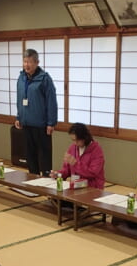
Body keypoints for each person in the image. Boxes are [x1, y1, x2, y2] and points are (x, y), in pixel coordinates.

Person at [14, 48, 58, 176]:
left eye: (30, 62)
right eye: (25, 61)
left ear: (37, 62)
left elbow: (51, 101)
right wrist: (18, 117)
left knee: (44, 156)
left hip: (41, 125)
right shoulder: (21, 78)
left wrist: (51, 123)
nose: (26, 65)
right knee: (30, 155)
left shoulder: (44, 79)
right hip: (26, 123)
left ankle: (46, 181)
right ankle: (33, 180)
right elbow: (19, 98)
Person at [50, 122, 105, 188]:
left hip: (92, 187)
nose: (75, 143)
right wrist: (58, 174)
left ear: (85, 137)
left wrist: (76, 164)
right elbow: (66, 170)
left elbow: (92, 173)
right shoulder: (72, 148)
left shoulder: (96, 150)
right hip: (76, 185)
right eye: (73, 140)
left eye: (77, 140)